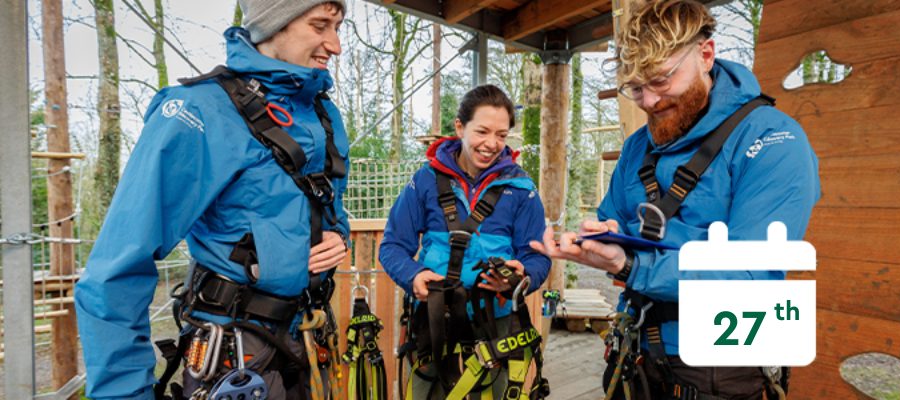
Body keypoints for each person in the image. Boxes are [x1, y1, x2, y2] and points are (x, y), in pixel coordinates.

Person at [530, 1, 821, 399]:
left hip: (721, 363)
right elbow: (612, 217)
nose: (649, 101)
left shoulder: (770, 141)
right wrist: (606, 237)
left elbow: (751, 277)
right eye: (635, 88)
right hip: (636, 352)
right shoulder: (637, 148)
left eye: (662, 80)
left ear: (706, 54)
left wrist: (631, 262)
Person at [75, 1, 350, 399]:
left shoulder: (323, 114)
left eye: (338, 26)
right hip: (235, 358)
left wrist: (337, 236)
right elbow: (116, 268)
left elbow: (328, 209)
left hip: (304, 343)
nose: (335, 44)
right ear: (273, 25)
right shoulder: (199, 111)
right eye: (320, 25)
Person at [379, 85, 552, 400]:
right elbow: (392, 246)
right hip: (434, 322)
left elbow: (538, 257)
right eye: (482, 131)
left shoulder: (521, 189)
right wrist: (413, 275)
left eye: (501, 135)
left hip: (496, 326)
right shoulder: (425, 182)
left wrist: (520, 276)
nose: (491, 144)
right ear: (460, 127)